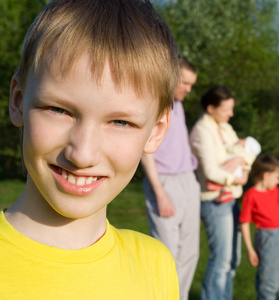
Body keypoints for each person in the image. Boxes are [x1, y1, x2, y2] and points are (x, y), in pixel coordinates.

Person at [0, 0, 180, 298]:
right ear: (18, 101)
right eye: (58, 110)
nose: (82, 154)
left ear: (156, 131)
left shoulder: (155, 265)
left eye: (120, 122)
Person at [141, 57, 200, 300]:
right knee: (167, 253)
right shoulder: (153, 103)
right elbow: (145, 152)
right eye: (184, 83)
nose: (188, 89)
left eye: (191, 85)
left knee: (190, 252)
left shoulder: (179, 104)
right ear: (171, 77)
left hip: (188, 180)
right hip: (164, 183)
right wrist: (160, 193)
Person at [190, 86, 256, 300]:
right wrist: (236, 174)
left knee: (233, 260)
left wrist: (237, 164)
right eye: (226, 109)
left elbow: (247, 153)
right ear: (211, 108)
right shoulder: (201, 131)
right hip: (215, 202)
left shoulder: (225, 128)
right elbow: (210, 172)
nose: (231, 114)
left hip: (232, 197)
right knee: (221, 260)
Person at [240, 155, 279, 299]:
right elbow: (244, 222)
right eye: (277, 177)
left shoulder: (274, 190)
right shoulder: (251, 196)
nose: (278, 181)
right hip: (269, 240)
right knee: (270, 282)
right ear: (266, 175)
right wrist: (250, 250)